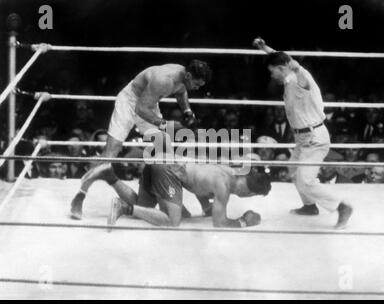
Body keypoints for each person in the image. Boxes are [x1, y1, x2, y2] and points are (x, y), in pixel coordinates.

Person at [70, 60, 212, 218]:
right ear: (188, 75)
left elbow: (181, 91)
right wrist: (167, 124)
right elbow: (140, 109)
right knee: (111, 152)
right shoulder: (163, 80)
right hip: (130, 103)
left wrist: (187, 112)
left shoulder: (182, 76)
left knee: (165, 146)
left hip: (148, 103)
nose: (198, 88)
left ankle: (174, 200)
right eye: (197, 84)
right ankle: (80, 196)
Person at [253, 37, 352, 229]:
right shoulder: (288, 73)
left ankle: (342, 207)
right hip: (302, 137)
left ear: (281, 69)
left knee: (306, 180)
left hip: (314, 138)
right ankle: (309, 206)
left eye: (272, 72)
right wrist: (264, 48)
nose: (271, 76)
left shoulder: (299, 78)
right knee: (293, 170)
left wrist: (297, 69)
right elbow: (282, 58)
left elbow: (302, 78)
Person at [73, 161, 271, 228]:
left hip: (161, 165)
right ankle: (124, 208)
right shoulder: (224, 187)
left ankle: (109, 175)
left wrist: (207, 207)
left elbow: (201, 187)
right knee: (172, 221)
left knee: (145, 209)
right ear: (250, 192)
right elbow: (219, 224)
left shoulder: (226, 171)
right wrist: (244, 221)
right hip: (168, 171)